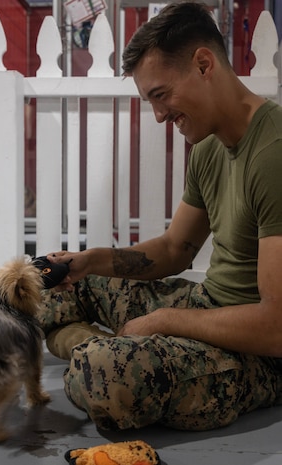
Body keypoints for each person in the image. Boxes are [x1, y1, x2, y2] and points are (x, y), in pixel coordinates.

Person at [37, 2, 282, 431]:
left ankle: (101, 355)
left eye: (161, 95)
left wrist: (163, 322)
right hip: (207, 309)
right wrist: (90, 261)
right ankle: (108, 350)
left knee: (105, 374)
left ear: (203, 64)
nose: (160, 115)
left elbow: (276, 326)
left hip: (258, 354)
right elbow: (173, 250)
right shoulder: (209, 149)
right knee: (45, 282)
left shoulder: (273, 155)